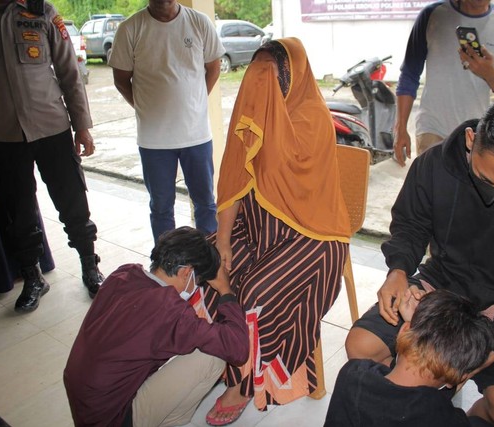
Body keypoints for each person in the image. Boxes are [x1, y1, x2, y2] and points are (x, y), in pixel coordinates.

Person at [345, 98, 494, 427]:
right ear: (471, 140)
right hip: (441, 284)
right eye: (485, 180)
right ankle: (414, 411)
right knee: (361, 345)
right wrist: (398, 270)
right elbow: (410, 225)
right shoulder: (433, 164)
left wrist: (476, 360)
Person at [202, 38, 351, 425]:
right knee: (205, 262)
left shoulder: (312, 121)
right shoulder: (255, 113)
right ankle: (220, 359)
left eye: (268, 81)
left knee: (254, 291)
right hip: (259, 228)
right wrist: (221, 244)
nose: (259, 91)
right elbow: (234, 180)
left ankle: (246, 383)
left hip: (314, 238)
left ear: (292, 77)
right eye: (255, 80)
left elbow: (306, 202)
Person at [0, 0, 104, 312]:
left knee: (73, 202)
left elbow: (69, 72)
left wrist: (82, 126)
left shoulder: (43, 11)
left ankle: (90, 267)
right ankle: (33, 276)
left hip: (52, 128)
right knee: (18, 212)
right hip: (2, 134)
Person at [63, 227, 249, 427]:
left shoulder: (124, 274)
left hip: (87, 406)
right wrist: (225, 290)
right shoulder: (167, 308)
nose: (197, 286)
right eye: (200, 280)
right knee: (212, 357)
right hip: (113, 418)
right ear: (186, 272)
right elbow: (237, 349)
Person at [109, 0, 225, 242]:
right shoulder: (130, 29)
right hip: (154, 141)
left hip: (196, 136)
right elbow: (121, 80)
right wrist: (144, 107)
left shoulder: (199, 22)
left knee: (205, 202)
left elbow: (213, 68)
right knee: (161, 207)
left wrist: (196, 102)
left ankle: (208, 258)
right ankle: (167, 263)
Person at [325, 290, 494, 427]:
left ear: (403, 330)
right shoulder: (448, 418)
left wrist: (409, 329)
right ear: (461, 377)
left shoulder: (352, 375)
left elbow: (394, 387)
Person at [393, 0, 494, 165]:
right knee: (434, 186)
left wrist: (490, 74)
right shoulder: (433, 14)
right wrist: (401, 128)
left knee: (466, 189)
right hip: (432, 126)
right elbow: (409, 74)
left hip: (476, 132)